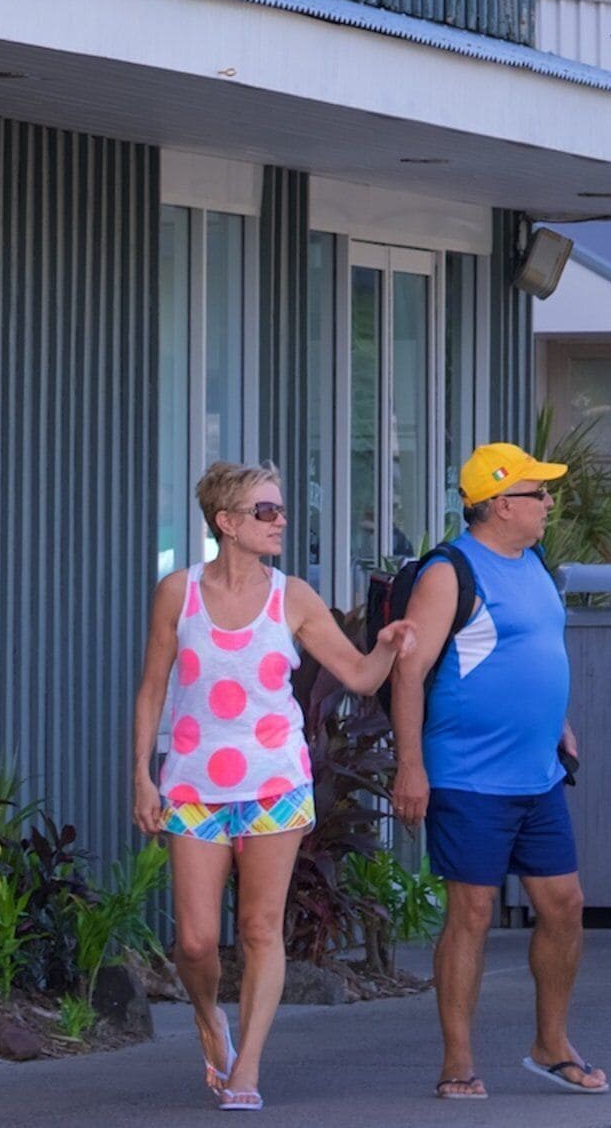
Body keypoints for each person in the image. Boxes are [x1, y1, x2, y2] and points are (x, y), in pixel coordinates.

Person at [132, 462, 416, 1110]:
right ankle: (208, 1017)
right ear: (226, 523)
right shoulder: (179, 593)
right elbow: (152, 688)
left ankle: (247, 1068)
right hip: (193, 784)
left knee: (261, 928)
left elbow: (360, 676)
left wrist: (389, 646)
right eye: (265, 511)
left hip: (274, 782)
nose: (280, 520)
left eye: (281, 509)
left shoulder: (294, 597)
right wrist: (141, 779)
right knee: (198, 941)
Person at [391, 443, 605, 1099]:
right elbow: (408, 670)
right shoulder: (450, 572)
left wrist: (557, 720)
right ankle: (458, 1060)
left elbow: (535, 652)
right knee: (472, 914)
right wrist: (411, 766)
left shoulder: (534, 562)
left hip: (536, 774)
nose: (548, 504)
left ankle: (551, 1043)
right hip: (467, 775)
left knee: (564, 906)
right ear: (501, 503)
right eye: (538, 495)